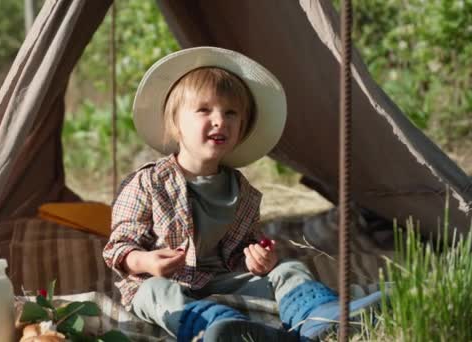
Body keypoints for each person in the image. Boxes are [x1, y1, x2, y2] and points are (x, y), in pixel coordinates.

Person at [102, 47, 381, 342]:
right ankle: (222, 329)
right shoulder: (148, 183)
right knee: (153, 294)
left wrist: (257, 260)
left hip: (221, 281)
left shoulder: (242, 192)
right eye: (204, 110)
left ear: (242, 128)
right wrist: (146, 263)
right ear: (176, 124)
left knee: (288, 269)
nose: (220, 120)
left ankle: (320, 318)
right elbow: (119, 247)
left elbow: (239, 252)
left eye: (231, 113)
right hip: (167, 280)